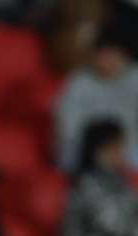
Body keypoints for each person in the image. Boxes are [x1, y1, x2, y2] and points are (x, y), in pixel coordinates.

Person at [59, 118, 138, 236]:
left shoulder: (119, 181)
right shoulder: (87, 184)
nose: (123, 153)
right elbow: (112, 228)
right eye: (117, 147)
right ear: (101, 150)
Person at [55, 34, 138, 173]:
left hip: (127, 146)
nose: (105, 61)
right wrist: (99, 149)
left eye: (110, 55)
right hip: (87, 147)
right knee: (67, 154)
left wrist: (118, 149)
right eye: (101, 55)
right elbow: (67, 124)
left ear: (123, 56)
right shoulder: (78, 82)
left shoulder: (135, 79)